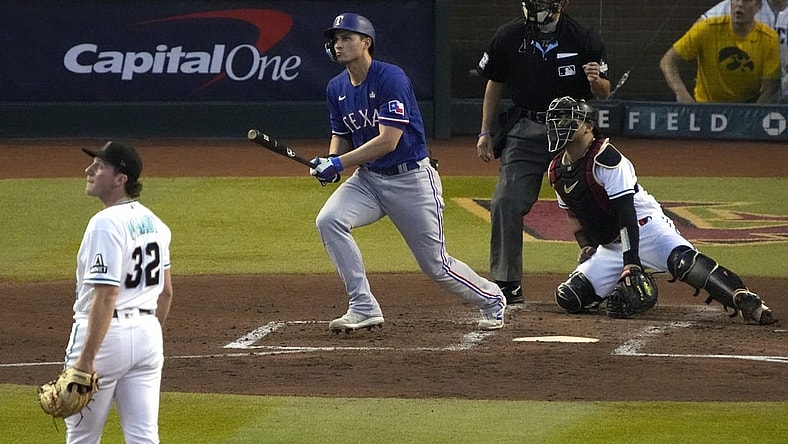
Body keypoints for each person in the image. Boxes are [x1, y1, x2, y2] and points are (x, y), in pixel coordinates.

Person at [311, 13, 506, 333]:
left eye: (346, 37)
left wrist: (340, 163)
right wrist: (330, 160)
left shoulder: (391, 78)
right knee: (329, 220)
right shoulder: (337, 88)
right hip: (369, 179)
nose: (338, 44)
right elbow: (341, 132)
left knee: (436, 265)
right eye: (336, 39)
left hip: (411, 180)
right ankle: (362, 305)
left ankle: (491, 298)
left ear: (366, 43)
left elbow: (389, 141)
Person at [544, 96, 775, 325]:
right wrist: (586, 245)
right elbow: (573, 214)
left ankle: (745, 300)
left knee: (684, 263)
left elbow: (626, 212)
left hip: (646, 227)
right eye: (556, 119)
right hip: (612, 245)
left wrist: (631, 262)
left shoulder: (607, 158)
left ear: (588, 127)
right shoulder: (557, 170)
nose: (559, 125)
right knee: (570, 298)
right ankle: (644, 289)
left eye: (568, 119)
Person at [475, 0, 610, 305]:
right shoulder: (508, 35)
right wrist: (485, 131)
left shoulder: (583, 37)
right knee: (505, 201)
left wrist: (595, 80)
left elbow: (604, 90)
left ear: (560, 4)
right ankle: (507, 282)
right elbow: (494, 84)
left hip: (571, 132)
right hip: (526, 129)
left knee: (594, 199)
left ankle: (602, 273)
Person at [63, 141, 173, 442]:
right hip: (148, 335)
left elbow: (106, 294)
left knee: (82, 435)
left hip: (104, 340)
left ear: (120, 179)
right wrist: (145, 335)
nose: (89, 170)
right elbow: (166, 293)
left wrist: (86, 360)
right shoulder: (156, 223)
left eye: (99, 166)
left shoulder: (105, 224)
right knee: (144, 435)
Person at [660, 0, 781, 104]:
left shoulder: (769, 38)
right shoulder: (706, 28)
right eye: (736, 0)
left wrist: (753, 116)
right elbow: (668, 61)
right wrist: (681, 92)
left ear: (758, 7)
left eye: (746, 1)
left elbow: (770, 87)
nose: (739, 5)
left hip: (746, 108)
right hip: (707, 106)